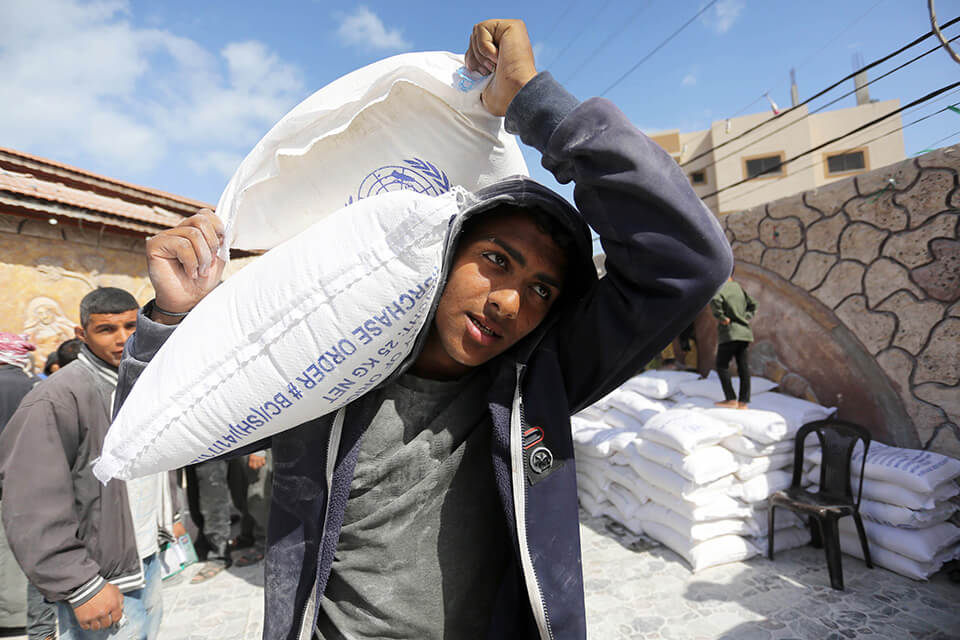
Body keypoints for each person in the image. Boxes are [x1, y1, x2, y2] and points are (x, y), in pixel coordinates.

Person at [115, 19, 732, 639]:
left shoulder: (540, 382)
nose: (510, 303)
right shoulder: (330, 368)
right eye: (497, 261)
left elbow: (691, 258)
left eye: (542, 289)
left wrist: (530, 100)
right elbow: (163, 434)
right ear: (445, 255)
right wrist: (172, 318)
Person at [0, 288, 171, 639]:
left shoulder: (141, 382)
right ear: (82, 334)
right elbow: (31, 505)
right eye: (107, 329)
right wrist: (80, 585)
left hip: (144, 559)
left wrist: (172, 516)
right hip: (100, 578)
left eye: (130, 326)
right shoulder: (57, 397)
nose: (123, 338)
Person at [710, 275, 758, 409]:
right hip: (745, 333)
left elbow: (714, 301)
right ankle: (743, 402)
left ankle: (731, 399)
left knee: (722, 365)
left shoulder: (720, 288)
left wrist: (722, 317)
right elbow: (754, 304)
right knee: (743, 368)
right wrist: (745, 317)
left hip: (730, 333)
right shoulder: (738, 287)